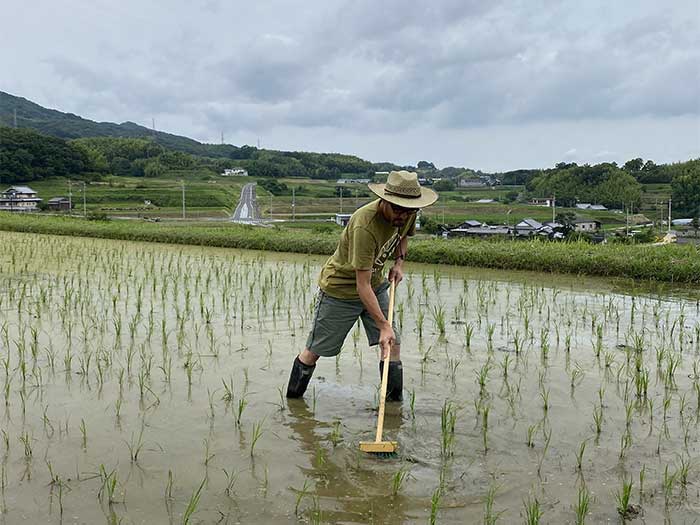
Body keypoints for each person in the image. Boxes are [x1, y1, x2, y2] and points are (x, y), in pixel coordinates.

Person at [286, 170, 438, 401]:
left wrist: (399, 263)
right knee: (315, 350)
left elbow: (404, 236)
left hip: (374, 286)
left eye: (409, 211)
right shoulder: (364, 225)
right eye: (397, 209)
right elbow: (361, 285)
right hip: (341, 290)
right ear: (385, 201)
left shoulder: (407, 214)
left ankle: (393, 407)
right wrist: (384, 325)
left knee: (392, 345)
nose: (403, 216)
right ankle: (293, 403)